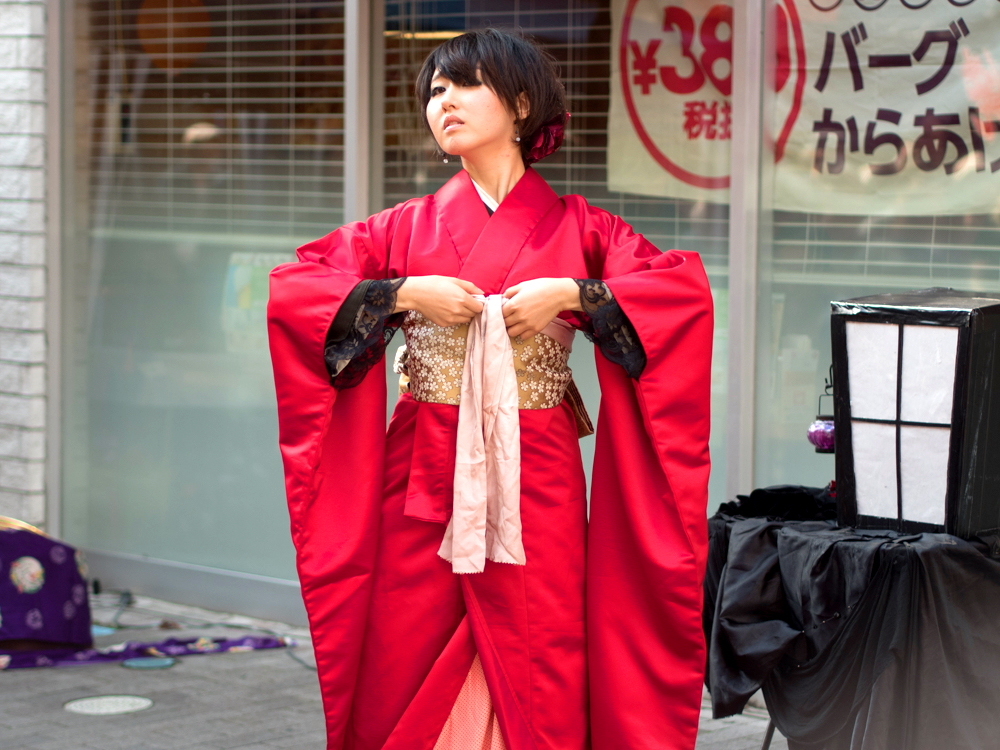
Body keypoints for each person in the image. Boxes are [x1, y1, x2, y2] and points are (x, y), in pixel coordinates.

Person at [267, 28, 713, 750]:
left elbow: (677, 295)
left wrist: (578, 293)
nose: (443, 101)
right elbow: (299, 289)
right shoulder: (403, 228)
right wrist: (403, 292)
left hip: (538, 473)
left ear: (523, 103)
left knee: (546, 651)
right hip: (422, 469)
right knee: (404, 648)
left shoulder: (582, 227)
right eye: (434, 91)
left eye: (464, 84)